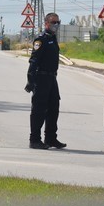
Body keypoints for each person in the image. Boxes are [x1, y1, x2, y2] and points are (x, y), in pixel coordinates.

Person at [25, 12, 67, 150]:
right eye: (53, 22)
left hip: (52, 78)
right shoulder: (40, 40)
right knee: (39, 110)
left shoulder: (53, 38)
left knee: (54, 108)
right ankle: (35, 139)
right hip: (41, 78)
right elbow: (34, 61)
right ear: (46, 24)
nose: (56, 25)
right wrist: (31, 80)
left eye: (58, 22)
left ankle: (50, 138)